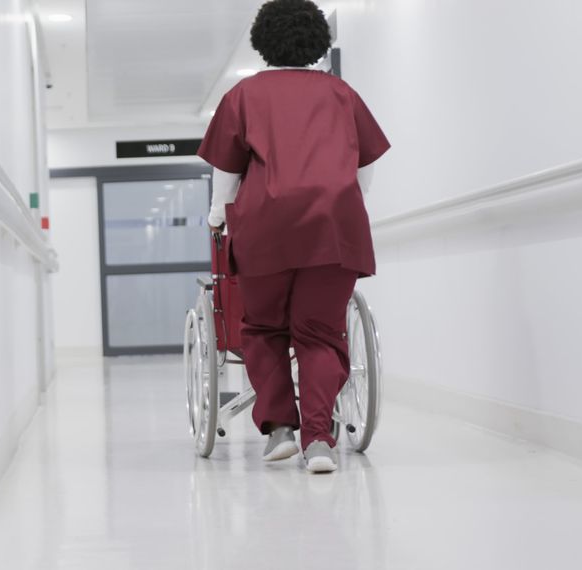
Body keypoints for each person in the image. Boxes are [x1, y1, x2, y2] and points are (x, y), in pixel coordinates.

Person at [197, 0, 390, 473]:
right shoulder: (341, 93)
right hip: (334, 229)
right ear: (316, 40)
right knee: (321, 333)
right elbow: (365, 168)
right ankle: (319, 440)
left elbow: (226, 172)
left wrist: (217, 216)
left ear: (264, 42)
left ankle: (281, 429)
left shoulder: (244, 96)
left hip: (266, 229)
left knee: (262, 328)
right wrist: (344, 201)